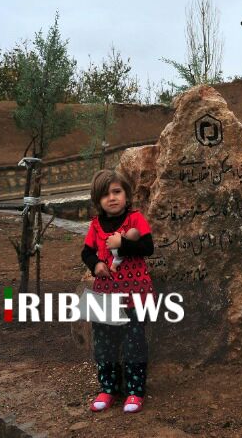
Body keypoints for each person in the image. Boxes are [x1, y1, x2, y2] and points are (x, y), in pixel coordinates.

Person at [81, 170, 154, 413]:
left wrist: (122, 243)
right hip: (104, 294)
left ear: (126, 194)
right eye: (105, 194)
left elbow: (147, 246)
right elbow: (87, 252)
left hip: (135, 294)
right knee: (104, 344)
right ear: (97, 200)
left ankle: (135, 391)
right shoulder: (95, 225)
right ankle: (108, 389)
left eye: (117, 192)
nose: (112, 198)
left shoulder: (135, 219)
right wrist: (97, 264)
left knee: (134, 342)